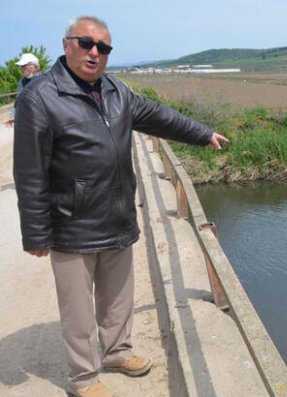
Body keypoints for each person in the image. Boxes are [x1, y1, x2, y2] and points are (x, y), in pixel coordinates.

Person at [13, 16, 229, 397]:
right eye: (86, 43)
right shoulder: (40, 96)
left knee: (118, 299)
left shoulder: (117, 91)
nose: (95, 52)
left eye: (104, 47)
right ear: (67, 45)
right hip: (71, 223)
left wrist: (202, 133)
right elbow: (29, 172)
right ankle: (82, 378)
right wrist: (35, 232)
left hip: (116, 214)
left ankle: (117, 352)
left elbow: (159, 116)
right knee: (78, 311)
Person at [3, 52, 41, 126]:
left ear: (34, 66)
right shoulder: (22, 82)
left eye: (24, 66)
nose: (21, 69)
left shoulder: (45, 79)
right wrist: (14, 116)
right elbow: (18, 101)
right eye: (21, 66)